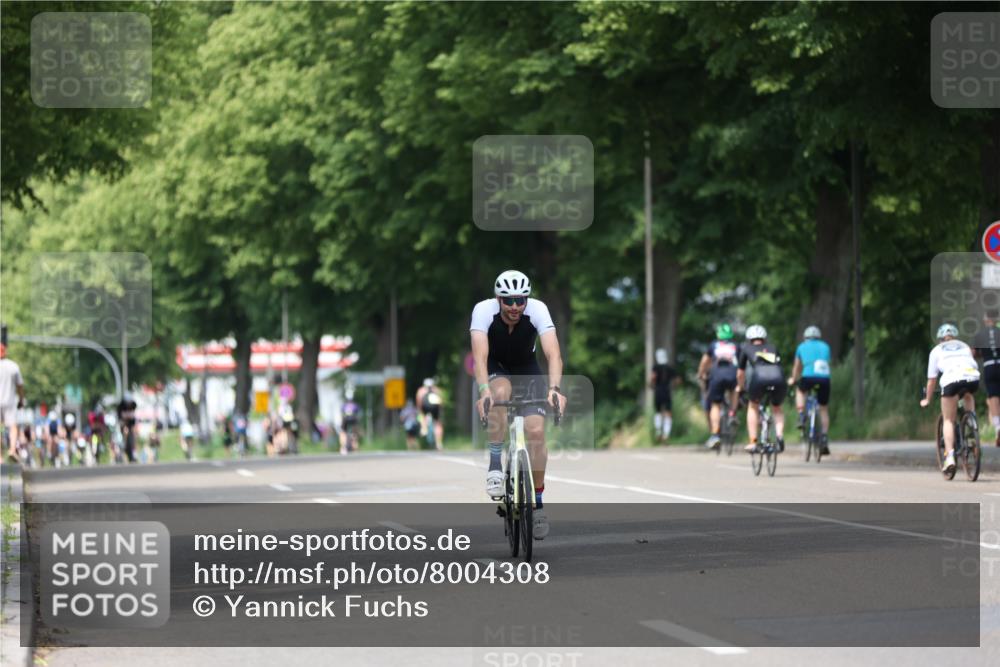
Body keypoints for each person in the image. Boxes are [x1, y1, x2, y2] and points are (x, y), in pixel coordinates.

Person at [471, 269, 567, 541]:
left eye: (520, 300)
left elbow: (553, 353)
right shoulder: (483, 311)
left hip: (526, 368)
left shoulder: (538, 310)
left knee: (536, 432)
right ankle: (494, 465)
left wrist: (555, 389)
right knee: (500, 391)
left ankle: (537, 503)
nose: (515, 307)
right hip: (495, 366)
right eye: (508, 300)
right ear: (498, 299)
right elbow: (479, 357)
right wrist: (482, 391)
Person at [920, 323, 980, 473]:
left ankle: (950, 456)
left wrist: (927, 399)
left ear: (940, 339)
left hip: (952, 380)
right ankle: (972, 427)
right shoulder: (964, 346)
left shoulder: (936, 351)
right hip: (972, 378)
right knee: (967, 394)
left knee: (948, 420)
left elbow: (932, 380)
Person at [737, 324, 787, 453]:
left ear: (749, 338)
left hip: (759, 378)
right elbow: (779, 365)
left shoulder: (746, 348)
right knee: (777, 408)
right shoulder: (773, 347)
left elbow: (740, 373)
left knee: (753, 406)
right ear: (764, 338)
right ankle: (779, 435)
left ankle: (753, 441)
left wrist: (740, 387)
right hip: (778, 378)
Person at [789, 325, 832, 455]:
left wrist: (793, 379)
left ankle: (801, 415)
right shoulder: (825, 346)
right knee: (823, 408)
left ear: (805, 337)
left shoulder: (801, 347)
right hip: (824, 379)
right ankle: (824, 436)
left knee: (800, 391)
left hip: (808, 377)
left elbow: (797, 366)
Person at [697, 324, 739, 449]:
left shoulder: (714, 345)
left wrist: (701, 373)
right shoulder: (736, 346)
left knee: (715, 405)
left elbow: (705, 361)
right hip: (733, 374)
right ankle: (732, 413)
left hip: (717, 376)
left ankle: (715, 434)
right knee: (734, 391)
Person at [973, 309, 1000, 446]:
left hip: (989, 366)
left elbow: (974, 352)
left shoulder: (980, 334)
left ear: (986, 318)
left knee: (993, 398)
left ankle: (998, 427)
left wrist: (982, 354)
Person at [0, 342, 25, 463]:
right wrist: (21, 400)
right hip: (9, 401)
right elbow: (20, 385)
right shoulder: (13, 366)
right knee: (12, 426)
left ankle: (0, 456)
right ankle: (12, 450)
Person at [649, 348, 677, 443]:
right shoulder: (669, 367)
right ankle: (666, 434)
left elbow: (653, 377)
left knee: (658, 412)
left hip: (658, 391)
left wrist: (652, 385)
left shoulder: (655, 367)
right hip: (667, 391)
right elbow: (677, 380)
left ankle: (658, 431)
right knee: (668, 413)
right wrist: (673, 386)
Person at [415, 377, 444, 450]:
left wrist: (420, 412)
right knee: (437, 424)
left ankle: (424, 427)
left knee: (420, 415)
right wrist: (440, 411)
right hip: (435, 407)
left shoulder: (421, 390)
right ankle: (439, 443)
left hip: (425, 406)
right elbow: (441, 402)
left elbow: (419, 403)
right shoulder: (437, 390)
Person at [116, 394, 138, 463]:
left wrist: (128, 416)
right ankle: (124, 445)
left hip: (131, 423)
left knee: (134, 434)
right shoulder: (121, 406)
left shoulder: (133, 405)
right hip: (124, 423)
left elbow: (132, 417)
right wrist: (127, 417)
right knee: (126, 431)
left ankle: (134, 452)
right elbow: (121, 418)